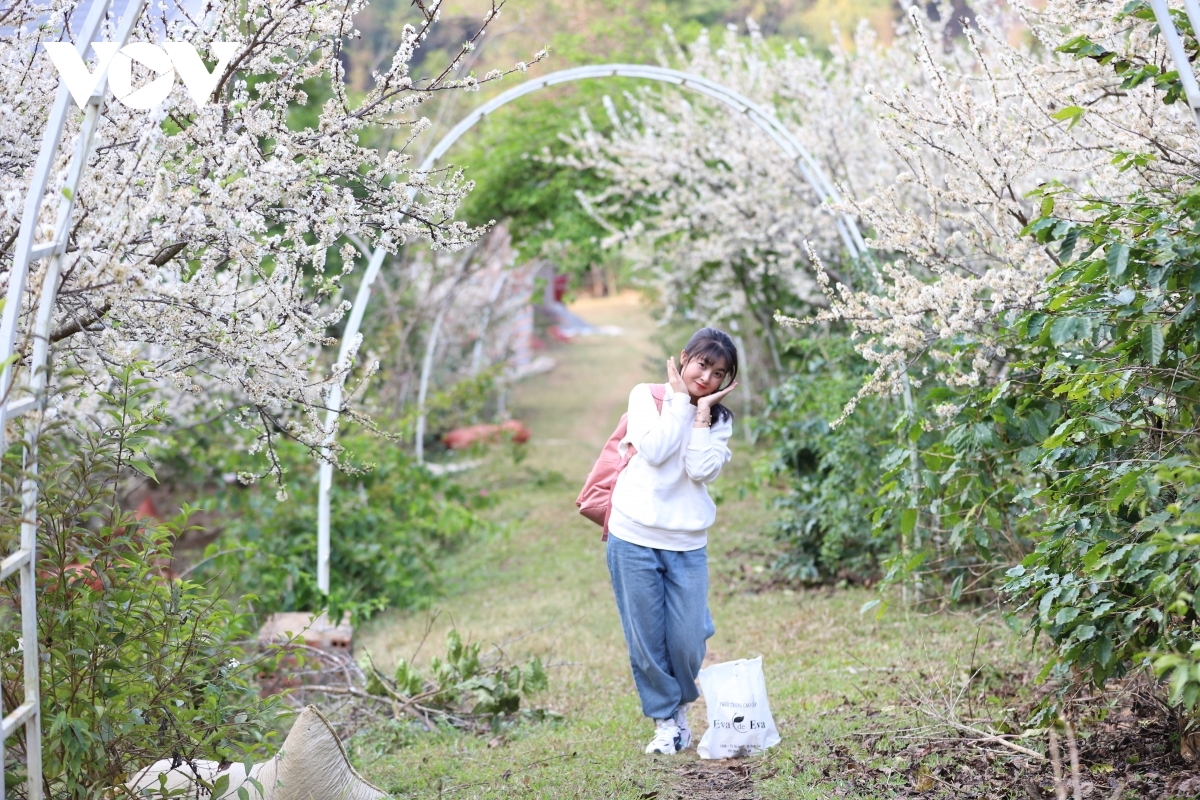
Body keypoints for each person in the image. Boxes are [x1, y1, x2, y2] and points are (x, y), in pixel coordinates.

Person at [607, 327, 739, 755]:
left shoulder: (720, 421)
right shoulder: (645, 396)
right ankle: (669, 720)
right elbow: (659, 449)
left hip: (687, 541)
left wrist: (701, 414)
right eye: (702, 364)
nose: (706, 378)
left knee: (686, 640)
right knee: (646, 639)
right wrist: (681, 402)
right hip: (633, 536)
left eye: (719, 373)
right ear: (684, 358)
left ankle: (678, 698)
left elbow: (700, 470)